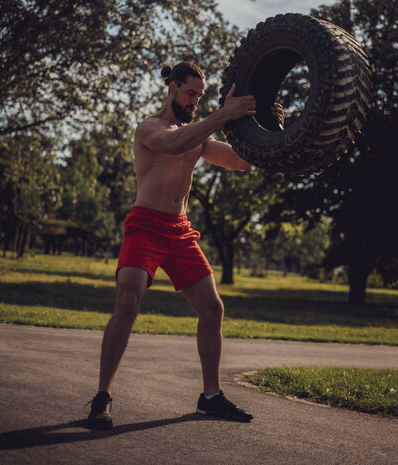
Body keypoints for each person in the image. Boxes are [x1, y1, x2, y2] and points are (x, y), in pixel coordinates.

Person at [87, 61, 284, 428]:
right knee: (128, 300)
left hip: (178, 230)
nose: (195, 101)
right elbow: (175, 142)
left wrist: (268, 128)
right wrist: (224, 113)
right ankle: (102, 397)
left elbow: (240, 162)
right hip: (145, 225)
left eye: (200, 96)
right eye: (191, 93)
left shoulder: (200, 136)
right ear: (173, 87)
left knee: (213, 309)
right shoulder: (150, 127)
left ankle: (210, 397)